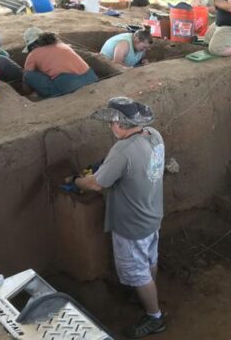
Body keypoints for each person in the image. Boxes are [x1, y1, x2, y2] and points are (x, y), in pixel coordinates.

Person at [69, 96, 166, 339]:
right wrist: (107, 165)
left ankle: (155, 318)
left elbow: (95, 184)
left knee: (137, 272)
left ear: (118, 125)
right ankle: (146, 292)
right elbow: (134, 167)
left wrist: (75, 181)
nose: (110, 126)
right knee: (149, 260)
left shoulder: (123, 149)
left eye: (111, 122)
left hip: (131, 224)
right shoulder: (153, 134)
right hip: (152, 214)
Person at [22, 27, 98, 98]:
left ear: (32, 46)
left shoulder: (33, 54)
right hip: (91, 77)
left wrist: (27, 92)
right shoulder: (62, 45)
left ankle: (29, 95)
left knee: (28, 74)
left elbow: (27, 75)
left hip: (70, 85)